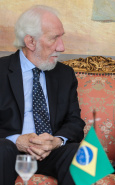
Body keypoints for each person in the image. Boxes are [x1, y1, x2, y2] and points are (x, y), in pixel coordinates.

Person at [0, 5, 85, 185]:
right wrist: (17, 140)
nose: (61, 47)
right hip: (10, 151)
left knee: (82, 153)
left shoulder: (65, 74)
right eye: (55, 38)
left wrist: (56, 141)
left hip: (51, 152)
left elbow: (75, 122)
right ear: (31, 42)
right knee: (1, 150)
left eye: (62, 37)